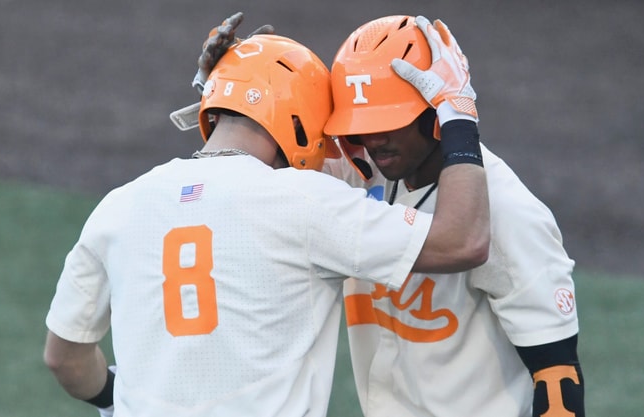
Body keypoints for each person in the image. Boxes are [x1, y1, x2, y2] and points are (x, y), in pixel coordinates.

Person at [43, 27, 490, 417]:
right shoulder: (304, 201)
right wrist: (458, 116)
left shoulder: (118, 206)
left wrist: (113, 398)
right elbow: (462, 242)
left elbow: (64, 356)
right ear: (300, 126)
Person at [193, 13, 585, 417]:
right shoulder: (356, 175)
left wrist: (462, 118)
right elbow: (254, 180)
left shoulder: (505, 210)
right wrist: (229, 97)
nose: (372, 139)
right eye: (360, 124)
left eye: (389, 121)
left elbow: (558, 381)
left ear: (438, 113)